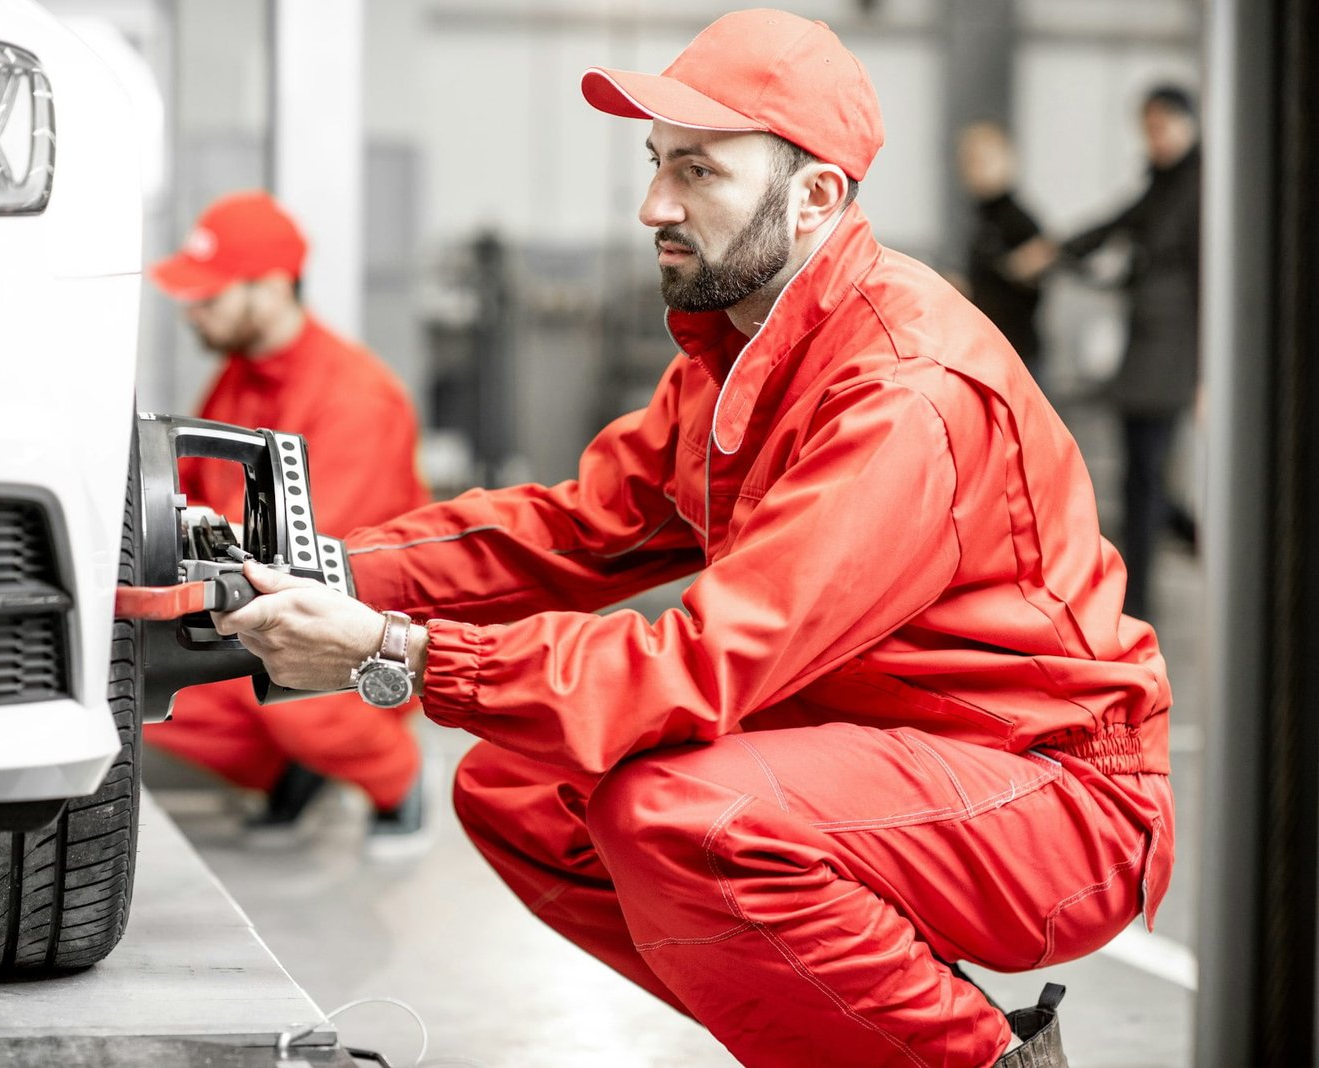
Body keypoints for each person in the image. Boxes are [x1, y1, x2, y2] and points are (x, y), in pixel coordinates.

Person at [208, 13, 1174, 1067]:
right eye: (656, 164)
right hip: (876, 751)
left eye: (699, 172)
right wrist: (323, 567)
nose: (651, 206)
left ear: (814, 199)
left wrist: (396, 654)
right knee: (518, 790)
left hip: (1047, 792)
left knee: (683, 818)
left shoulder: (903, 393)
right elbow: (575, 533)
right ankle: (850, 1041)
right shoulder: (739, 353)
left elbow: (701, 663)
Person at [144, 190, 433, 848]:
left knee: (289, 699)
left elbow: (311, 562)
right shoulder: (239, 377)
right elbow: (184, 488)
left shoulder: (356, 398)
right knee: (140, 681)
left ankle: (397, 778)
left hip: (348, 617)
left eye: (209, 298)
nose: (194, 315)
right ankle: (293, 772)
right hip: (247, 595)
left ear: (272, 288)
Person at [1054, 85, 1203, 620]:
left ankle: (1141, 595)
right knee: (1144, 475)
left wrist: (1207, 374)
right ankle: (1148, 578)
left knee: (1147, 476)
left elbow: (1208, 282)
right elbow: (1118, 222)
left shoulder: (1202, 185)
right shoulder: (1163, 184)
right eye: (1148, 128)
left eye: (1162, 126)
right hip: (1147, 348)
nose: (1154, 138)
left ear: (1187, 123)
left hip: (1174, 351)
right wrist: (1062, 248)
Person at [956, 121, 1047, 376]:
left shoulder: (1019, 220)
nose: (974, 168)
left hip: (1017, 354)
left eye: (984, 159)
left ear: (1008, 160)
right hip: (987, 348)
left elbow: (1035, 277)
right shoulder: (980, 218)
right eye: (969, 160)